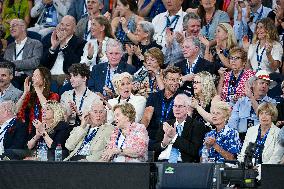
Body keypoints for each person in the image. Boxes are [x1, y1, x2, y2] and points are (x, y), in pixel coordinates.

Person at [153, 94, 207, 163]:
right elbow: (155, 148)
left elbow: (194, 151)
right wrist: (164, 143)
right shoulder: (166, 124)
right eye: (175, 106)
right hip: (162, 161)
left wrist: (174, 137)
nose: (177, 109)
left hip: (182, 164)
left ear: (187, 108)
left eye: (180, 106)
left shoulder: (197, 125)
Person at [228, 70, 277, 141]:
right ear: (253, 84)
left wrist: (251, 97)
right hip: (240, 137)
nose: (264, 86)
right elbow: (233, 121)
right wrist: (233, 138)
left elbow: (263, 114)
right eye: (262, 83)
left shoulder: (272, 102)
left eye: (267, 84)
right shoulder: (241, 101)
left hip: (261, 137)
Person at [141, 66, 181, 150]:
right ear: (164, 80)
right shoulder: (154, 96)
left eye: (177, 79)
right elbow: (146, 118)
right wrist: (140, 133)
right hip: (153, 136)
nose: (175, 82)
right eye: (171, 79)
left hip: (172, 136)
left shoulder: (182, 98)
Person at [40, 15, 86, 87]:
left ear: (74, 29)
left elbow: (75, 64)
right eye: (62, 24)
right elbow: (42, 63)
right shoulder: (50, 38)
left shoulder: (80, 43)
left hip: (66, 77)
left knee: (55, 84)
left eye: (67, 25)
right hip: (48, 75)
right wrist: (53, 48)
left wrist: (64, 45)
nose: (63, 27)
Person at [17, 67, 60, 139]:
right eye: (33, 75)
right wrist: (25, 93)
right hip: (31, 131)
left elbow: (46, 107)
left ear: (44, 78)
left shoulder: (53, 95)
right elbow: (16, 110)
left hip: (47, 131)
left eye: (36, 75)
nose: (33, 78)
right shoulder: (30, 95)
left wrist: (36, 88)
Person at [4, 19, 43, 88]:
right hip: (10, 78)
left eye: (13, 26)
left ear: (23, 27)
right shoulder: (9, 47)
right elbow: (5, 65)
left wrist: (13, 64)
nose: (11, 29)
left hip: (27, 77)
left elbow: (34, 62)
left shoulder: (36, 43)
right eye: (10, 27)